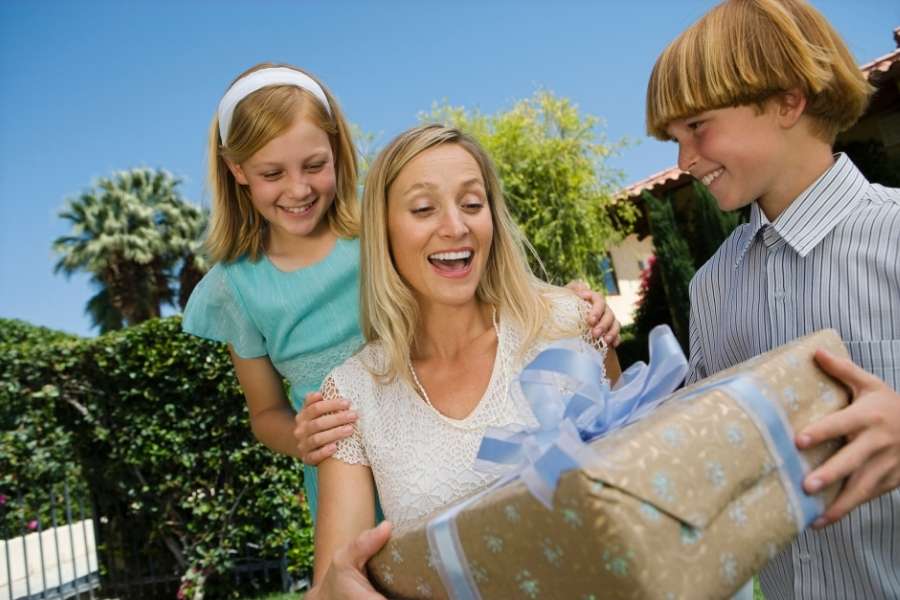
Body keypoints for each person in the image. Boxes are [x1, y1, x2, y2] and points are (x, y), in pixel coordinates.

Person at [182, 63, 622, 520]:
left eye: (314, 165)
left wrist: (564, 304)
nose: (298, 188)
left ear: (336, 150)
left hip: (436, 439)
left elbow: (476, 271)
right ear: (236, 169)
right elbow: (264, 411)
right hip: (343, 466)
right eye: (272, 174)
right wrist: (302, 434)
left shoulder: (383, 221)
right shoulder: (234, 288)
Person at [646, 1, 900, 598]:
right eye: (674, 138)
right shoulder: (710, 286)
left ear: (788, 100)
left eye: (698, 126)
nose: (683, 162)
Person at [308, 124, 622, 598]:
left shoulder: (570, 325)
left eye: (472, 204)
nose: (455, 226)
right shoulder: (353, 395)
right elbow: (332, 584)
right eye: (423, 208)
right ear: (384, 231)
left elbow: (642, 486)